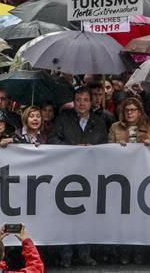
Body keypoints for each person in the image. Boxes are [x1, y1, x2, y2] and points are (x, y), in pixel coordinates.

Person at [48, 87, 103, 268]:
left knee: (86, 215)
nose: (81, 103)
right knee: (67, 214)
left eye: (85, 100)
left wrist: (92, 148)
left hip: (90, 174)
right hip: (67, 174)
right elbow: (53, 140)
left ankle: (84, 253)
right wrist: (73, 148)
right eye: (78, 99)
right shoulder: (63, 119)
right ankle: (66, 253)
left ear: (91, 102)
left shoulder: (100, 121)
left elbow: (106, 145)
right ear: (74, 101)